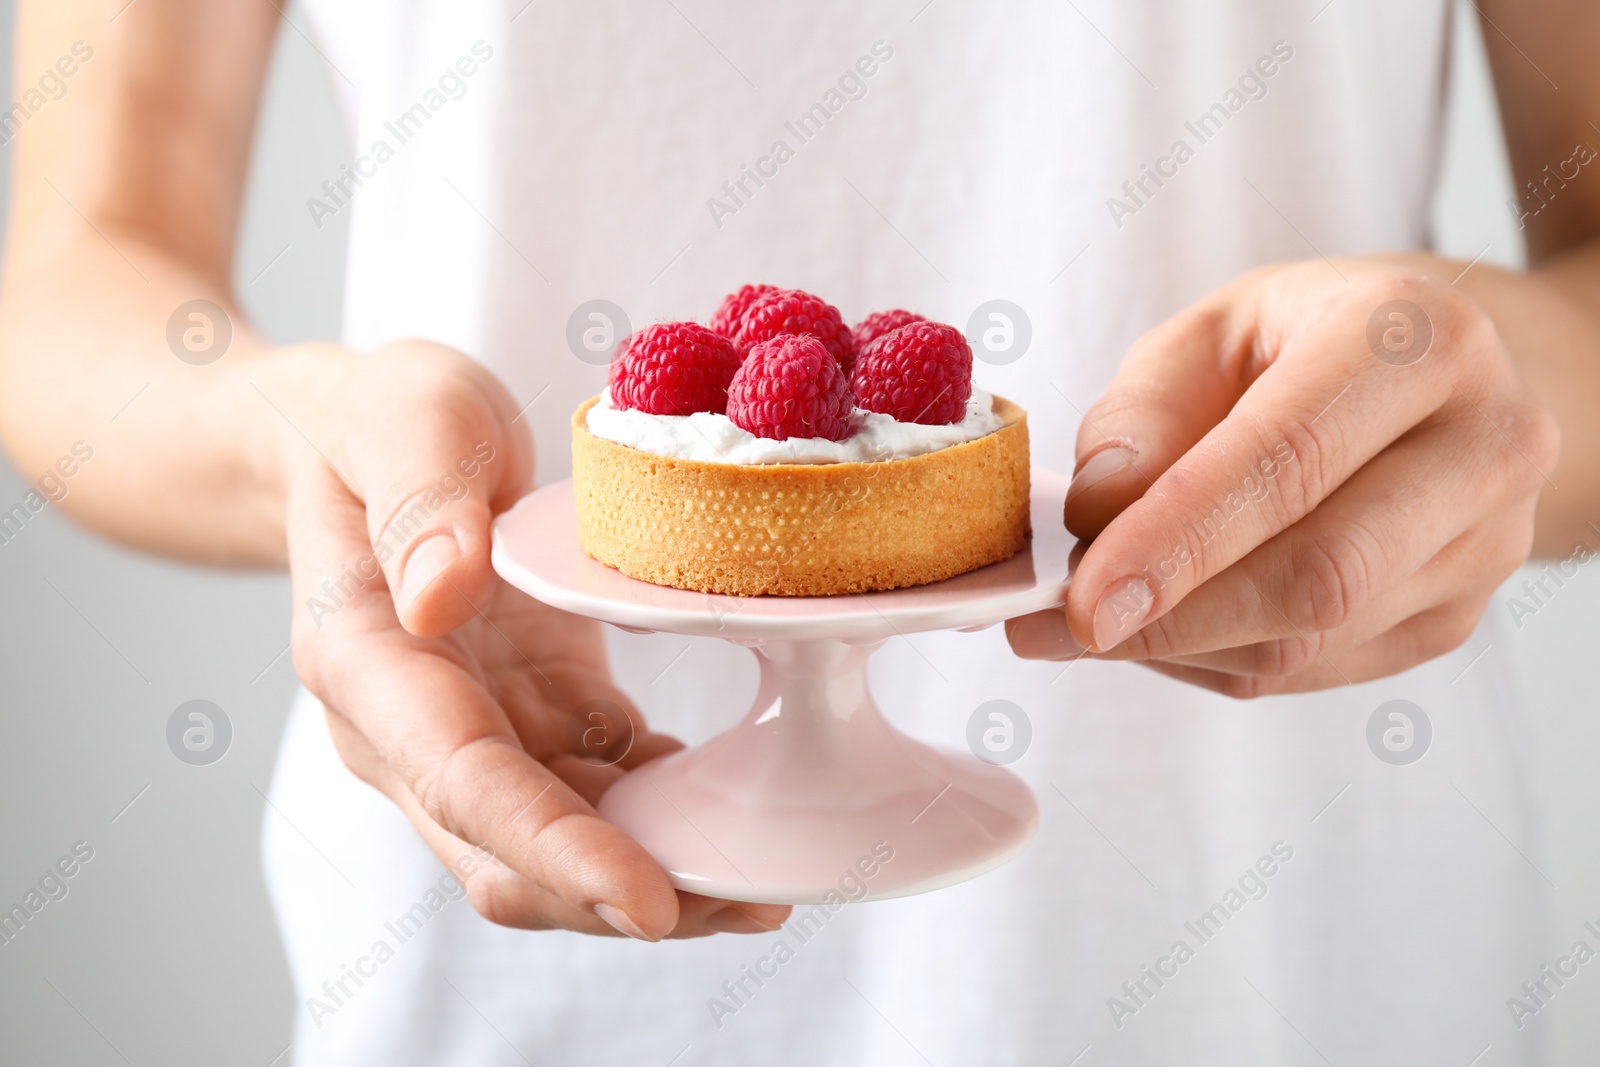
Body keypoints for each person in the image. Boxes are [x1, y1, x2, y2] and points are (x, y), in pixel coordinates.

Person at [0, 0, 1593, 1063]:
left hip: (1297, 959)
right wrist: (305, 444)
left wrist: (1482, 386)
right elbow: (72, 269)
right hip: (513, 946)